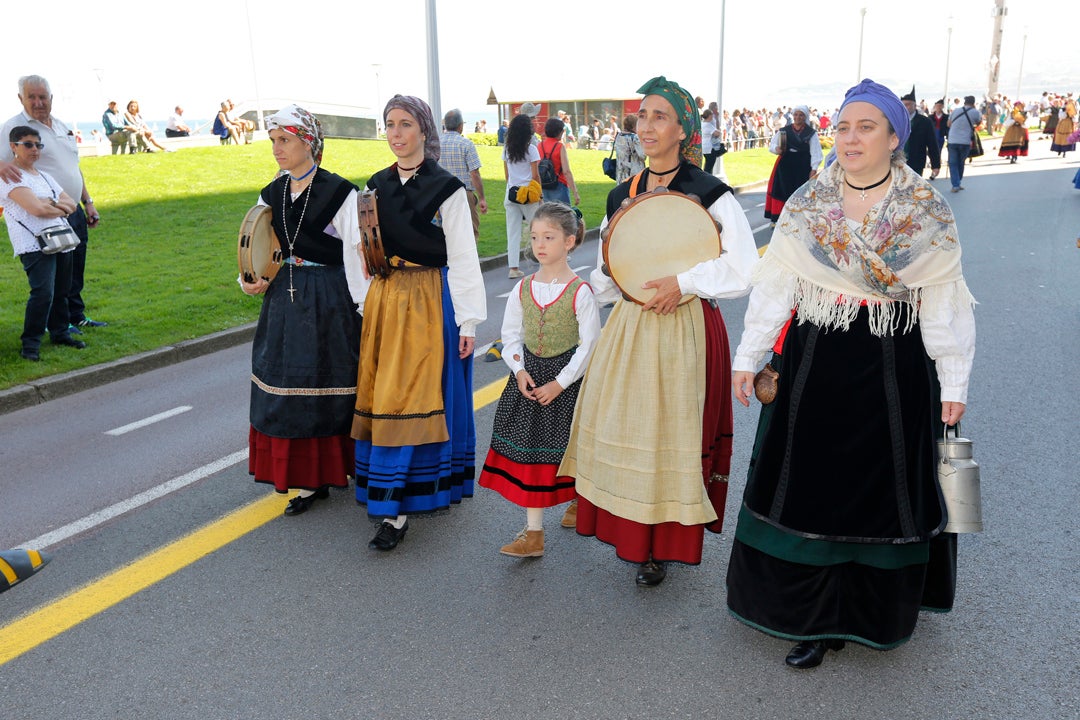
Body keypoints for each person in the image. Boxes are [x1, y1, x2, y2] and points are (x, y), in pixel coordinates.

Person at [727, 78, 976, 669]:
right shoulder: (809, 205)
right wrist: (748, 355)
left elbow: (943, 301)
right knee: (813, 485)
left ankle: (868, 613)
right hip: (818, 356)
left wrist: (956, 382)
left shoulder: (926, 213)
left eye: (867, 127)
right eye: (843, 127)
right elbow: (777, 286)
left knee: (882, 490)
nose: (851, 138)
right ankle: (813, 618)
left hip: (895, 361)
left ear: (895, 137)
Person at [558, 76, 758, 587]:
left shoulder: (710, 193)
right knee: (631, 428)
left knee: (671, 432)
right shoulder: (622, 194)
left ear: (683, 131)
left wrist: (685, 281)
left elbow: (744, 269)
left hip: (685, 324)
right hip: (631, 327)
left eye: (659, 117)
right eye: (643, 116)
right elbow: (608, 269)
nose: (647, 126)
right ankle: (633, 532)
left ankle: (660, 545)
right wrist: (608, 281)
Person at [351, 95, 486, 551]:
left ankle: (397, 508)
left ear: (424, 131)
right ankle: (391, 498)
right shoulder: (374, 185)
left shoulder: (445, 188)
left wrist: (467, 322)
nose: (396, 133)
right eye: (389, 124)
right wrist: (364, 301)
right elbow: (362, 250)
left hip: (431, 298)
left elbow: (464, 258)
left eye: (405, 124)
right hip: (388, 299)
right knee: (387, 392)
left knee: (417, 395)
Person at [240, 105, 365, 516]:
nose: (277, 148)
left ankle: (344, 467)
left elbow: (356, 254)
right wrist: (250, 279)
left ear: (308, 143)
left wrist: (363, 305)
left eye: (285, 140)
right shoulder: (271, 193)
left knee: (331, 380)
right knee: (289, 385)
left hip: (330, 298)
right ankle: (309, 481)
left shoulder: (341, 192)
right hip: (284, 302)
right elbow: (258, 245)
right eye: (274, 141)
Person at [478, 202, 600, 557]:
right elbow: (510, 335)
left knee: (569, 452)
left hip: (567, 384)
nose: (540, 244)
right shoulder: (523, 288)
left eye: (549, 237)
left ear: (571, 241)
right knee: (531, 456)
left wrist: (560, 383)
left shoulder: (581, 292)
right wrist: (518, 370)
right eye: (534, 237)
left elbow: (589, 346)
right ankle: (534, 534)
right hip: (530, 382)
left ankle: (578, 500)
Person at [2, 75, 107, 331]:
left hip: (72, 209)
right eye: (32, 97)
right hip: (44, 215)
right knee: (54, 275)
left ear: (51, 99)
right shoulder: (12, 128)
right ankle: (56, 323)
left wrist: (88, 202)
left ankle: (76, 315)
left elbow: (74, 168)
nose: (38, 102)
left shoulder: (61, 127)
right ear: (21, 99)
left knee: (75, 266)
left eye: (43, 97)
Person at [0, 126, 86, 361]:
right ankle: (30, 344)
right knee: (42, 293)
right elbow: (35, 209)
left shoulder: (45, 176)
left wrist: (51, 203)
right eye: (27, 144)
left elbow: (70, 205)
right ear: (13, 147)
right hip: (33, 243)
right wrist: (53, 205)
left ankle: (60, 332)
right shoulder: (10, 176)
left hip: (61, 239)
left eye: (38, 145)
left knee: (61, 291)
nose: (34, 149)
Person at [764, 105, 822, 223]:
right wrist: (777, 149)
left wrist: (814, 168)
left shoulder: (810, 133)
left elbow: (816, 152)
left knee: (801, 191)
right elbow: (772, 145)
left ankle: (800, 218)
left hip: (803, 165)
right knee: (782, 190)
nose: (798, 117)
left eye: (801, 115)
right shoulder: (785, 130)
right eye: (796, 115)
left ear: (805, 117)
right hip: (785, 164)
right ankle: (781, 218)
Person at [439, 108, 488, 242]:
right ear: (460, 126)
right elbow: (475, 173)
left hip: (441, 194)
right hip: (463, 193)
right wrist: (482, 197)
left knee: (446, 233)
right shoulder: (466, 144)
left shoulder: (436, 143)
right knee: (470, 233)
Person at [502, 113, 541, 279]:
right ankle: (542, 261)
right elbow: (535, 175)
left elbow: (507, 175)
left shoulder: (506, 149)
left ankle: (513, 268)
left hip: (511, 193)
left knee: (513, 232)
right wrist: (539, 193)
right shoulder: (531, 149)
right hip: (528, 195)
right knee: (538, 230)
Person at [538, 117, 580, 207]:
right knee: (562, 217)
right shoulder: (559, 147)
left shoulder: (539, 145)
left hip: (543, 185)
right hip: (559, 185)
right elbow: (566, 171)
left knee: (546, 216)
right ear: (560, 132)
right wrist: (575, 192)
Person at [900, 87, 940, 178]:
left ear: (915, 105)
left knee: (915, 190)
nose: (905, 107)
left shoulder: (925, 122)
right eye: (903, 105)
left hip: (916, 162)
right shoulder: (896, 121)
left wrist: (935, 165)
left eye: (908, 104)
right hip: (897, 163)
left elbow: (932, 143)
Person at [945, 96, 981, 193]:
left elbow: (948, 124)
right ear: (973, 103)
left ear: (964, 102)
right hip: (965, 141)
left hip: (952, 139)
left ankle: (955, 184)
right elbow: (978, 123)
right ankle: (958, 182)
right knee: (961, 162)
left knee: (953, 163)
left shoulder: (956, 110)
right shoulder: (976, 112)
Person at [613, 114, 645, 183]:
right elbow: (643, 155)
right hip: (634, 173)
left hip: (620, 172)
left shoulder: (618, 135)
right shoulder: (635, 137)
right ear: (634, 126)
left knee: (622, 192)